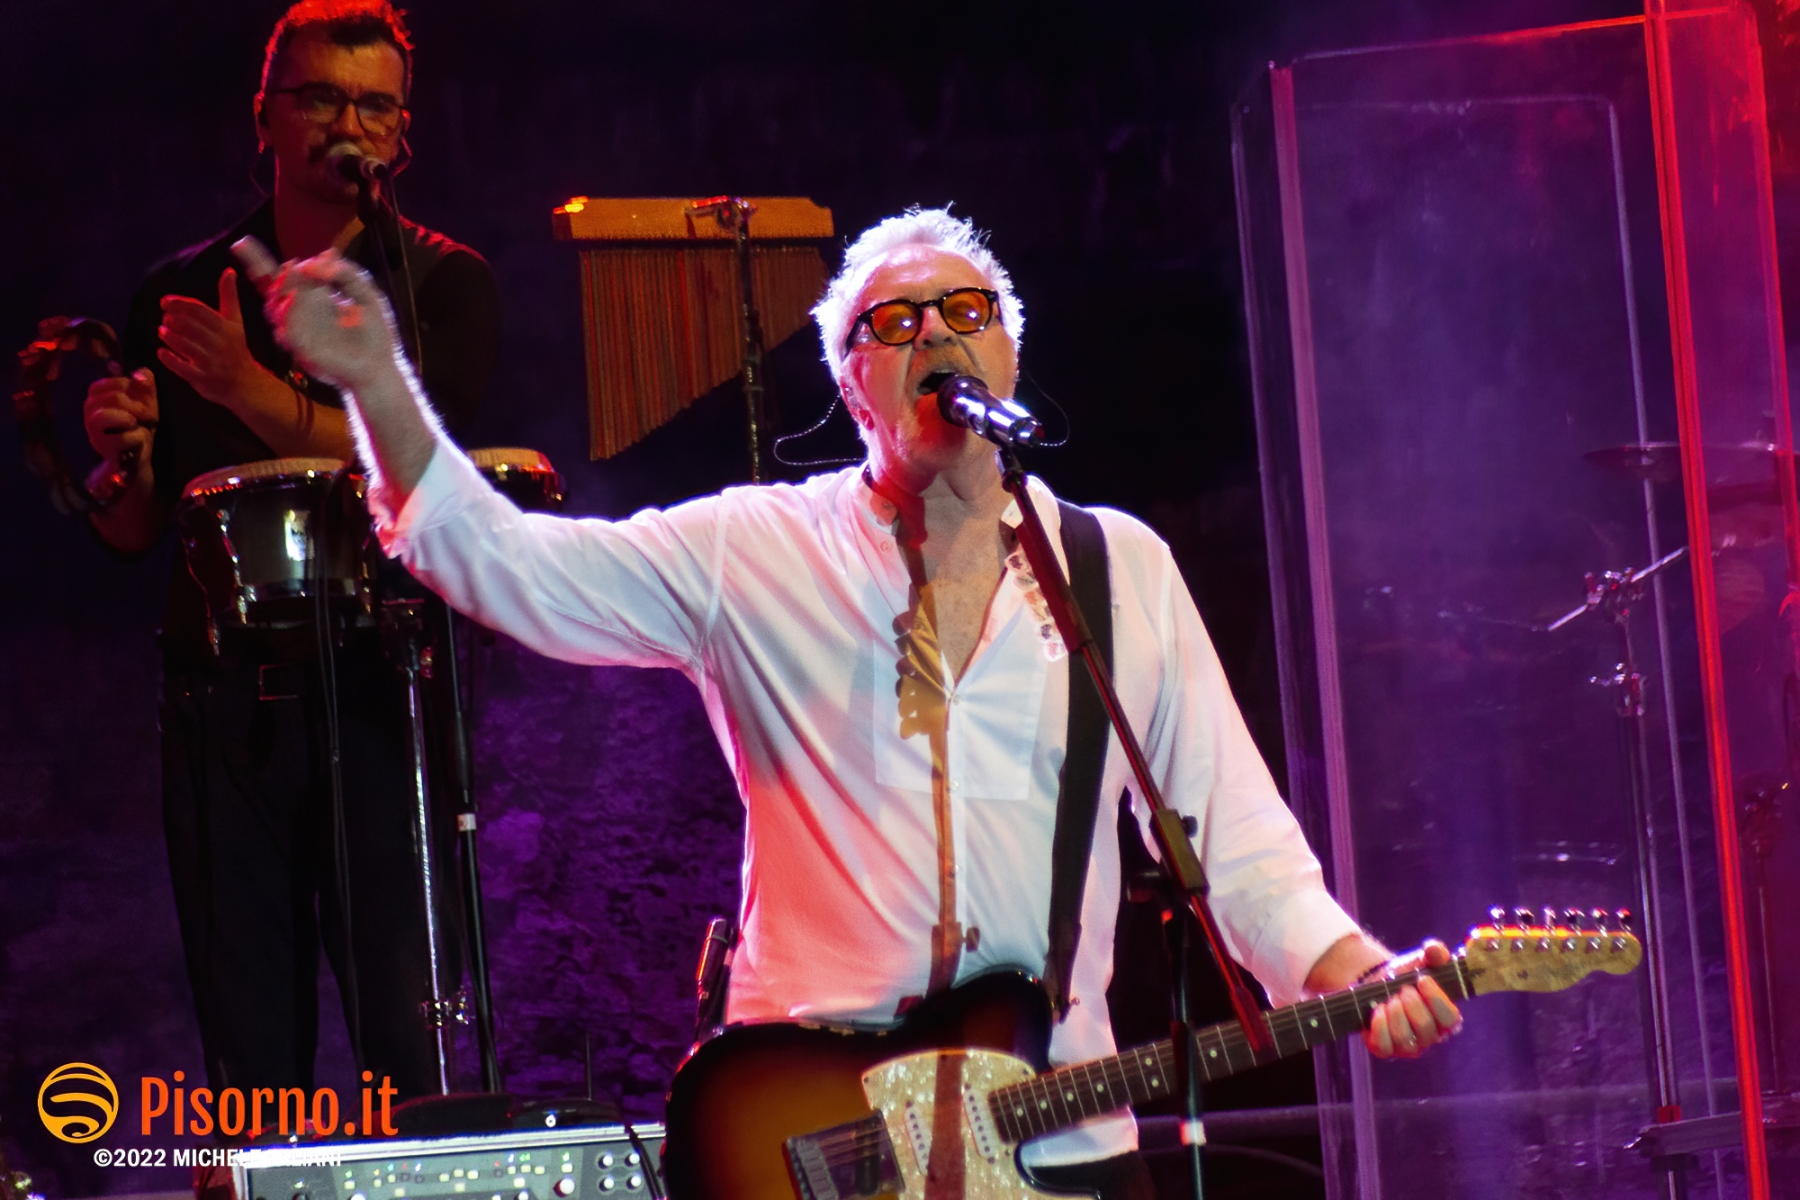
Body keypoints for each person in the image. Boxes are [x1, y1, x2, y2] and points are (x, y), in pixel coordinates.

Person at [236, 208, 1455, 1196]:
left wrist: (1357, 971)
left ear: (1009, 355)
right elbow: (504, 563)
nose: (939, 335)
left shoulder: (1116, 567)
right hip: (815, 1142)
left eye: (967, 311)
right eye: (896, 321)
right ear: (853, 380)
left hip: (1058, 1137)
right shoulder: (754, 552)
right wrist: (377, 382)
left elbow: (1237, 842)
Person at [81, 0, 499, 1101]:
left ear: (403, 131)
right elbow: (135, 529)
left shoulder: (441, 283)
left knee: (413, 1045)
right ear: (264, 116)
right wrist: (119, 461)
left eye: (375, 106)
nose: (348, 126)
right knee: (252, 1053)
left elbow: (421, 468)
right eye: (320, 98)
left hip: (383, 691)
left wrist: (245, 387)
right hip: (223, 704)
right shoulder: (182, 291)